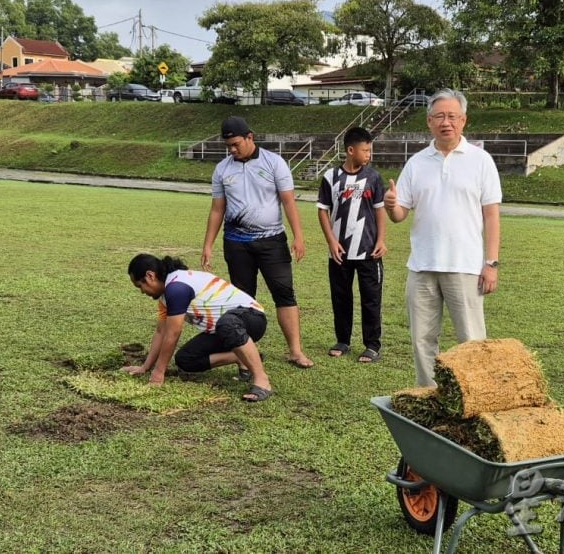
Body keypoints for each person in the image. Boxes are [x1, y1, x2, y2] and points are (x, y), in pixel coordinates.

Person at [383, 89, 502, 387]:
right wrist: (391, 206)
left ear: (463, 120)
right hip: (422, 266)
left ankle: (477, 396)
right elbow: (401, 215)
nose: (445, 122)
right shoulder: (417, 163)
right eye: (439, 116)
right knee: (422, 340)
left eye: (452, 116)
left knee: (471, 341)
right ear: (429, 121)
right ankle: (429, 395)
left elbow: (492, 216)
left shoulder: (481, 160)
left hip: (465, 266)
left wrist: (491, 263)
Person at [201, 116, 314, 368]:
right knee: (243, 299)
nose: (232, 149)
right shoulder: (222, 169)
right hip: (236, 243)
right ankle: (245, 355)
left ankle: (295, 351)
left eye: (236, 144)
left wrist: (299, 237)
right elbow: (217, 209)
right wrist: (208, 244)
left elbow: (288, 201)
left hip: (272, 241)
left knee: (284, 294)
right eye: (228, 145)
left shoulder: (274, 163)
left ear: (250, 137)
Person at [124, 253, 273, 402]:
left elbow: (173, 333)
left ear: (150, 275)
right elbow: (161, 332)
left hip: (252, 318)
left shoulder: (177, 287)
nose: (142, 291)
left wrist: (158, 373)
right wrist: (145, 367)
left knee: (227, 323)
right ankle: (244, 357)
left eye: (140, 286)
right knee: (185, 360)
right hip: (223, 330)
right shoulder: (165, 296)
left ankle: (262, 380)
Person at [317, 127, 387, 362]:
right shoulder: (330, 178)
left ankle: (372, 345)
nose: (369, 154)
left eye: (370, 150)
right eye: (365, 150)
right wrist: (331, 241)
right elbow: (323, 211)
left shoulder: (373, 178)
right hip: (340, 252)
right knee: (341, 297)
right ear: (350, 150)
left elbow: (379, 212)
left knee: (371, 299)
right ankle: (343, 340)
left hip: (368, 251)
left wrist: (381, 240)